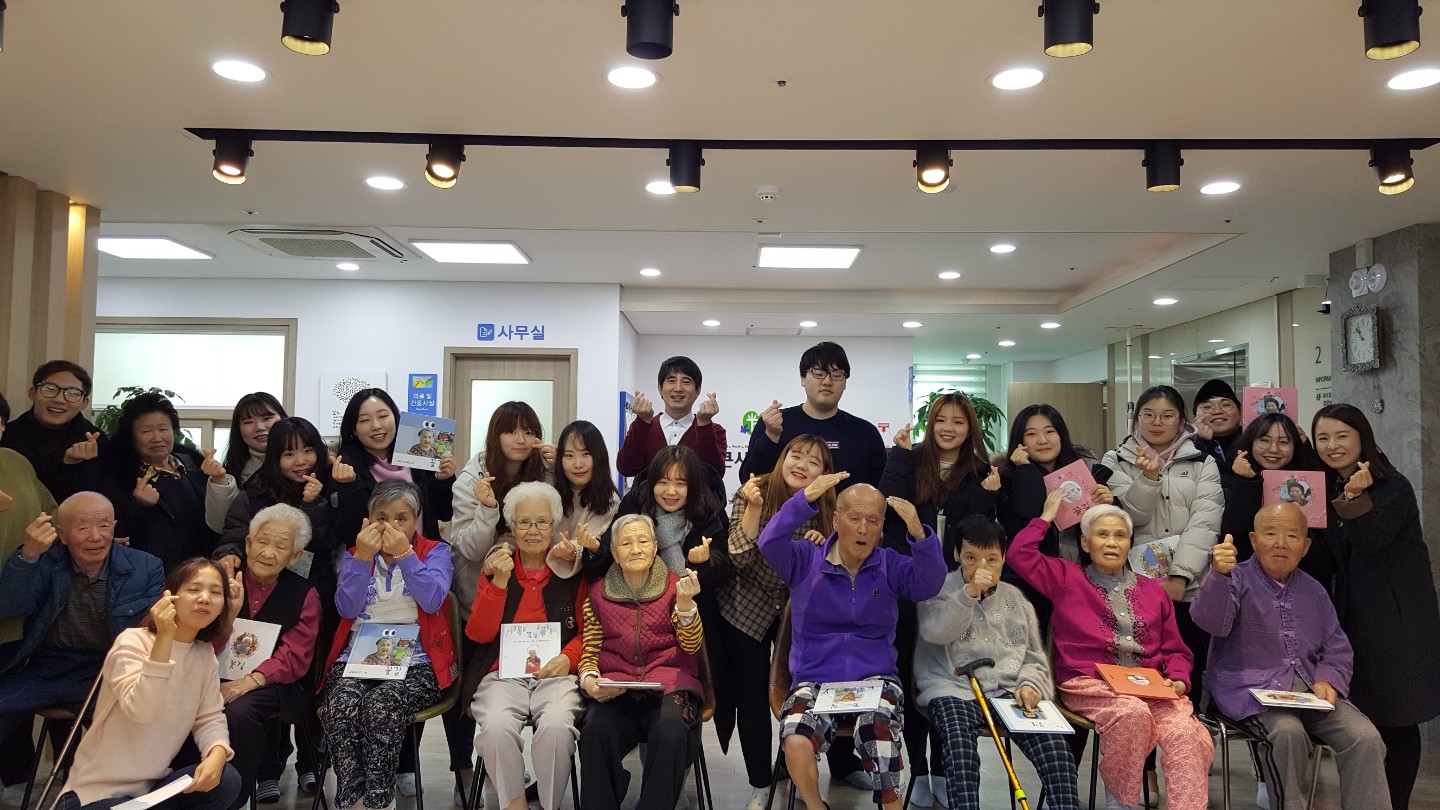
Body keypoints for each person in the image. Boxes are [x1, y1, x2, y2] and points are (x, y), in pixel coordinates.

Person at [1007, 490, 1213, 810]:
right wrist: (1045, 518)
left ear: (1129, 544)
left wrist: (1177, 679)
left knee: (1186, 732)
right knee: (1132, 714)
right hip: (1089, 683)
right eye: (1102, 535)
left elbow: (1176, 650)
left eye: (1120, 536)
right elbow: (1019, 554)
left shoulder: (1154, 592)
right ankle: (1121, 803)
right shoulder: (1066, 577)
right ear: (1085, 543)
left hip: (1149, 688)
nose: (1112, 542)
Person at [760, 475, 946, 810]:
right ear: (836, 520)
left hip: (876, 678)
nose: (863, 528)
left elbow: (930, 583)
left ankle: (892, 807)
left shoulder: (889, 564)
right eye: (854, 518)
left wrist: (919, 534)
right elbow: (769, 542)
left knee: (878, 731)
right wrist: (803, 500)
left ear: (881, 527)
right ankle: (816, 805)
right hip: (815, 679)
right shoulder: (806, 559)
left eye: (872, 521)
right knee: (796, 737)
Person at [1191, 503, 1389, 810]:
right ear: (1254, 540)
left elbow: (1336, 647)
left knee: (1365, 737)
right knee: (1287, 733)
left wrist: (1328, 679)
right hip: (1249, 691)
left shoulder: (1315, 590)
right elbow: (1210, 622)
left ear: (1305, 546)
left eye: (1292, 535)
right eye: (1270, 533)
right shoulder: (1234, 578)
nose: (1281, 543)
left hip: (1310, 693)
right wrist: (1218, 575)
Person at [1312, 404, 1440, 810]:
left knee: (1397, 717)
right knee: (1363, 719)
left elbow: (1370, 541)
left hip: (1396, 620)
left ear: (1362, 438)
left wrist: (1354, 497)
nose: (1332, 445)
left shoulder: (1392, 486)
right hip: (1352, 619)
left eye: (1342, 436)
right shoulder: (1327, 485)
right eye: (1322, 438)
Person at [880, 392, 1001, 806]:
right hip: (908, 583)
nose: (948, 428)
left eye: (958, 422)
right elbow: (887, 505)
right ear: (930, 425)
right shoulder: (911, 460)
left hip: (955, 591)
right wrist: (899, 456)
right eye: (941, 420)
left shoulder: (981, 471)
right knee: (911, 675)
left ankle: (944, 773)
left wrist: (987, 495)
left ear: (970, 429)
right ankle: (916, 771)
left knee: (946, 680)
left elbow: (977, 531)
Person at [0, 492, 165, 791]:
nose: (95, 536)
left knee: (135, 733)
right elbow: (12, 607)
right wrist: (28, 556)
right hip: (48, 667)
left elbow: (152, 633)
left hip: (109, 672)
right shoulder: (45, 560)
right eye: (82, 527)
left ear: (114, 527)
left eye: (104, 525)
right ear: (62, 535)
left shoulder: (146, 566)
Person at [915, 516, 1081, 810]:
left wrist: (1030, 684)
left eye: (992, 559)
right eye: (971, 557)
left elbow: (1034, 657)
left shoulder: (1015, 598)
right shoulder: (938, 589)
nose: (982, 566)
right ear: (956, 554)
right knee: (960, 749)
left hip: (1009, 690)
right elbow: (935, 632)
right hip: (953, 687)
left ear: (1004, 558)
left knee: (1056, 750)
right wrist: (968, 595)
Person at [55, 558, 242, 810]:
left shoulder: (203, 654)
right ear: (170, 597)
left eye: (216, 592)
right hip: (93, 795)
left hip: (148, 793)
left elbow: (209, 718)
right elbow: (142, 710)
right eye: (194, 589)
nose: (205, 598)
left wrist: (217, 754)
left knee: (227, 780)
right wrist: (165, 637)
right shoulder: (132, 642)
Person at [321, 480, 456, 810]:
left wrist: (406, 555)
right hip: (357, 659)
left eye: (401, 518)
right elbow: (347, 609)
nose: (391, 526)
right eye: (382, 517)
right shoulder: (356, 555)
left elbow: (433, 600)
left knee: (382, 704)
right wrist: (362, 558)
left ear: (416, 521)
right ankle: (353, 799)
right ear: (369, 520)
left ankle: (379, 800)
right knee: (340, 704)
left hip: (418, 663)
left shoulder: (435, 552)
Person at [718, 435, 836, 810]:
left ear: (824, 472)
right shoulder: (754, 490)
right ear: (783, 457)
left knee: (798, 692)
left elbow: (832, 564)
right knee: (752, 697)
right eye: (795, 456)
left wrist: (821, 547)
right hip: (746, 604)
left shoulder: (826, 503)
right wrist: (754, 509)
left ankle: (794, 770)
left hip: (796, 607)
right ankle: (759, 783)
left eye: (813, 462)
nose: (801, 466)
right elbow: (738, 558)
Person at [1101, 385, 1222, 711]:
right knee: (1137, 664)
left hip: (1189, 587)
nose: (1157, 422)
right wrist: (1149, 478)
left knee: (1186, 666)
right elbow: (1129, 517)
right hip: (1133, 584)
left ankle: (1187, 735)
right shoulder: (1115, 460)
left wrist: (1180, 576)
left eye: (1167, 415)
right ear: (1136, 418)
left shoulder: (1203, 462)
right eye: (1149, 415)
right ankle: (1141, 741)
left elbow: (1205, 523)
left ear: (1182, 420)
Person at [465, 482, 585, 810]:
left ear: (555, 525)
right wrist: (499, 585)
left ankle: (549, 804)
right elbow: (479, 634)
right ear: (511, 527)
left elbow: (588, 632)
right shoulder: (497, 569)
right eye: (524, 522)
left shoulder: (571, 570)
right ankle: (514, 803)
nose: (533, 530)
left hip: (556, 674)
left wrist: (568, 658)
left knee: (557, 727)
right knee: (495, 728)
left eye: (542, 522)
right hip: (502, 674)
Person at [577, 514, 705, 810]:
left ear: (655, 546)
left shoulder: (676, 588)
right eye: (626, 543)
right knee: (595, 730)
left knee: (671, 731)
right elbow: (590, 650)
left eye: (643, 541)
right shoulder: (597, 594)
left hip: (669, 686)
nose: (635, 549)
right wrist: (589, 680)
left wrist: (686, 606)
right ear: (614, 553)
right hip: (618, 687)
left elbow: (691, 645)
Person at [213, 504, 321, 810]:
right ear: (248, 543)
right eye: (262, 541)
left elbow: (295, 656)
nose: (268, 553)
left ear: (294, 556)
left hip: (277, 684)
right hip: (214, 673)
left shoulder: (304, 593)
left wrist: (247, 682)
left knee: (240, 711)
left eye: (280, 547)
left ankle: (233, 797)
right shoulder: (221, 583)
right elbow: (200, 639)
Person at [997, 403, 1115, 630]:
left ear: (1061, 434)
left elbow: (1111, 529)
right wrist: (1025, 470)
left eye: (1050, 431)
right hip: (1032, 581)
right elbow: (1024, 519)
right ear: (1020, 441)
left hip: (1084, 578)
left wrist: (1110, 503)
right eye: (1031, 434)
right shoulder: (1009, 479)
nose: (1042, 440)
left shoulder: (1087, 473)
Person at [737, 341, 886, 491]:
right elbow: (748, 481)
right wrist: (770, 437)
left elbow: (880, 490)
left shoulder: (866, 433)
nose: (827, 381)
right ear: (803, 378)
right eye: (819, 374)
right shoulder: (775, 424)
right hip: (783, 507)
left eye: (836, 375)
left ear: (845, 382)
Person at [103, 393, 226, 571]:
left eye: (163, 429)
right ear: (132, 437)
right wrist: (138, 505)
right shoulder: (121, 477)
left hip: (199, 571)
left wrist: (219, 480)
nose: (157, 438)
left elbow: (217, 522)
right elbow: (116, 536)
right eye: (146, 431)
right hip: (151, 574)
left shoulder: (194, 467)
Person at [332, 387, 455, 562]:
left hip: (423, 559)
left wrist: (444, 481)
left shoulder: (419, 456)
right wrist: (349, 487)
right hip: (374, 564)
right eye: (364, 420)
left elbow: (445, 514)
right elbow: (347, 533)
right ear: (353, 429)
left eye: (383, 416)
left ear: (396, 418)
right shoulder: (344, 468)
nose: (376, 426)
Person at [1218, 414, 1321, 567]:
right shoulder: (1229, 482)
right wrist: (1246, 482)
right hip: (1245, 574)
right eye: (1264, 440)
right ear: (1250, 442)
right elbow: (1234, 536)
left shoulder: (1310, 482)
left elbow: (1321, 553)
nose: (1274, 449)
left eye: (1284, 442)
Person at [0, 360, 107, 504]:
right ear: (33, 393)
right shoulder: (8, 434)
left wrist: (71, 466)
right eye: (50, 389)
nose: (59, 399)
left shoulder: (93, 441)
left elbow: (94, 501)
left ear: (84, 403)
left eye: (72, 393)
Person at [616, 356, 726, 477]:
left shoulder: (715, 430)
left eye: (686, 382)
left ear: (697, 391)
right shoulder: (642, 426)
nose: (678, 388)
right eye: (671, 381)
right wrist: (642, 422)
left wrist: (704, 424)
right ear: (660, 388)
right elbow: (626, 469)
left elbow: (714, 475)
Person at [549, 420, 621, 576]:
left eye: (586, 454)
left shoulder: (608, 500)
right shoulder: (548, 487)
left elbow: (588, 544)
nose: (578, 464)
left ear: (599, 457)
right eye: (569, 455)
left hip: (583, 578)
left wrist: (571, 550)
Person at [211, 393, 288, 534]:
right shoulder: (232, 471)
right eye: (248, 422)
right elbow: (220, 525)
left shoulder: (307, 462)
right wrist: (219, 481)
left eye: (267, 418)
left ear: (283, 419)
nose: (259, 427)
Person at [1191, 379, 1244, 468]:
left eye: (1226, 405)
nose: (1217, 411)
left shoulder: (1255, 442)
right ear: (1195, 419)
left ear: (1240, 413)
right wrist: (1203, 444)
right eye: (1207, 407)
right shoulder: (1185, 448)